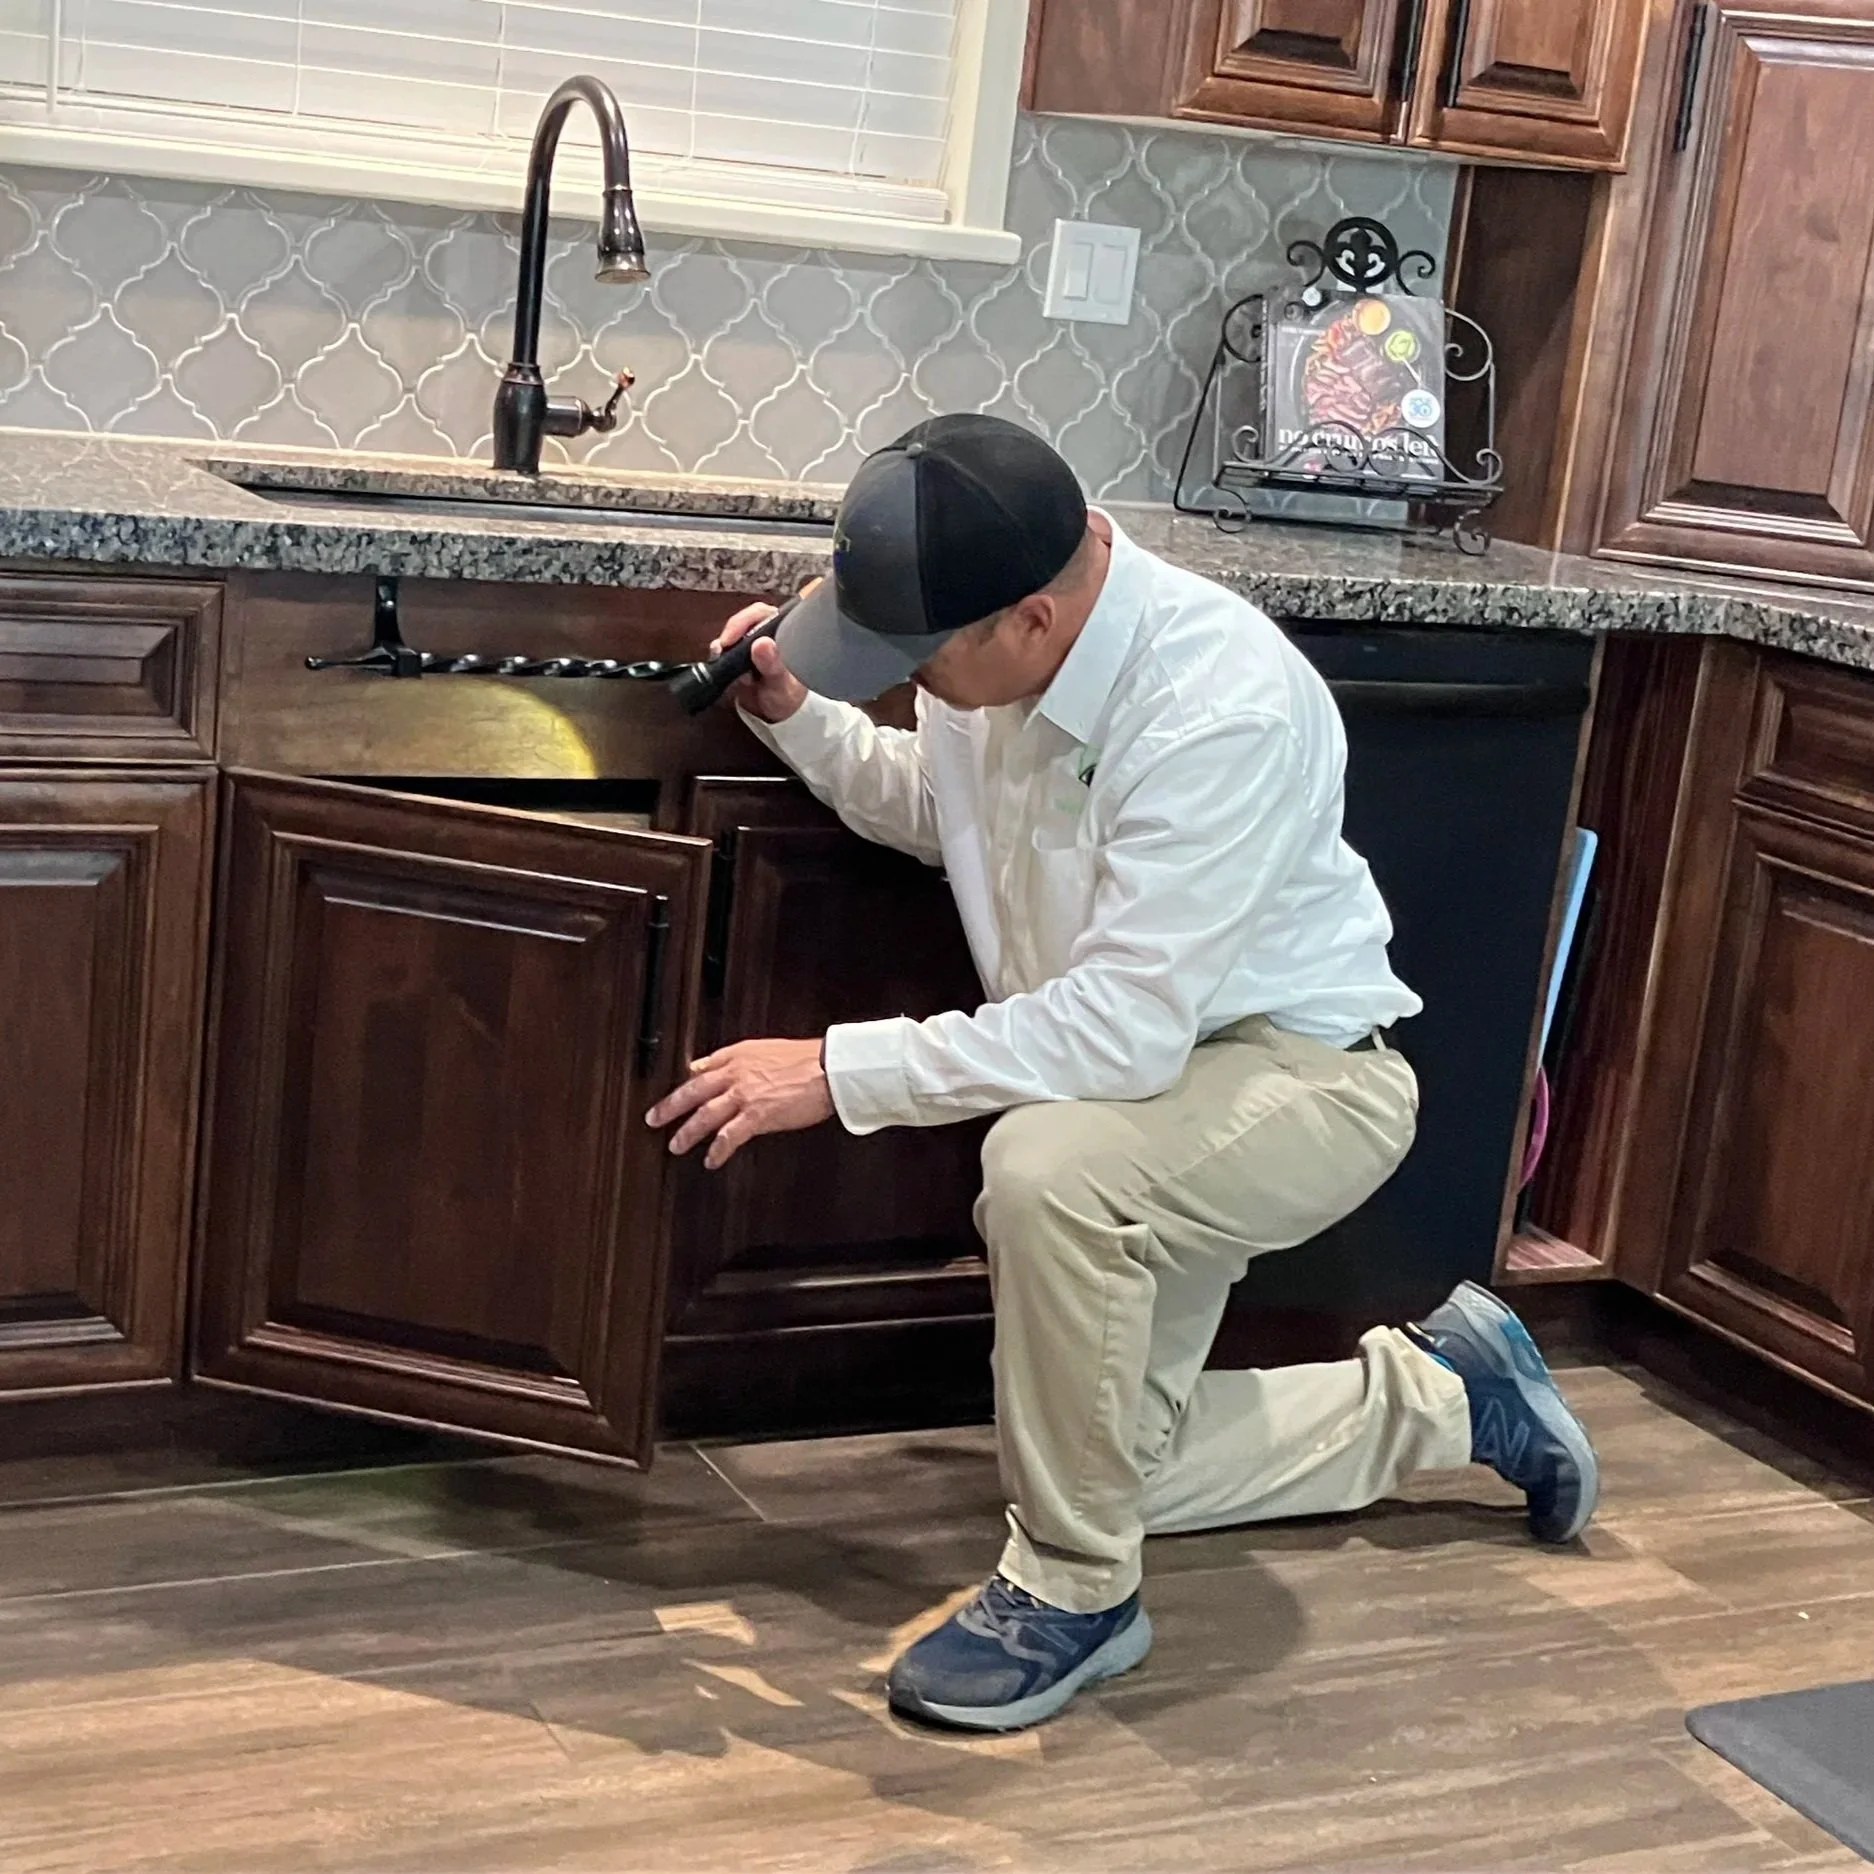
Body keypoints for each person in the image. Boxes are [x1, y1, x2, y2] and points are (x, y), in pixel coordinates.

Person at [646, 413, 1599, 1735]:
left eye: (917, 656)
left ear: (1030, 622)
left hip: (1297, 1079)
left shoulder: (1215, 704)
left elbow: (1119, 1029)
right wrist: (804, 721)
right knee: (1101, 1459)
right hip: (1154, 1079)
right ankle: (1448, 1400)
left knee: (1045, 1173)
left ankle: (1075, 1593)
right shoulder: (1007, 664)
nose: (904, 679)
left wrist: (836, 1068)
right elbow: (952, 814)